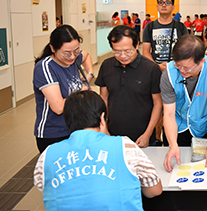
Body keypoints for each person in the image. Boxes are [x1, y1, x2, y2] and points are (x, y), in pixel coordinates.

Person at [33, 91, 162, 211]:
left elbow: (44, 188)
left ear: (68, 121)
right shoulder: (125, 146)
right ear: (102, 118)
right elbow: (154, 190)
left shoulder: (47, 155)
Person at [161, 35, 207, 172]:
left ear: (202, 61)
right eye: (178, 65)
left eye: (187, 68)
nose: (181, 71)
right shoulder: (168, 73)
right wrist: (173, 145)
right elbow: (168, 114)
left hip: (203, 127)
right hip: (176, 128)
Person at [95, 25, 162, 147]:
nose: (123, 56)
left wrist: (147, 134)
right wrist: (104, 128)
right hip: (113, 135)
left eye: (128, 51)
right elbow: (104, 99)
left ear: (137, 45)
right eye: (117, 51)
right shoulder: (106, 65)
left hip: (142, 136)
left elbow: (158, 103)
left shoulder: (151, 68)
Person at [33, 25, 94, 153]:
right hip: (54, 133)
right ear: (52, 48)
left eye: (76, 51)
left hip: (75, 129)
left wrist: (90, 74)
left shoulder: (73, 59)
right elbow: (59, 107)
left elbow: (86, 55)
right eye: (66, 53)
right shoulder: (45, 68)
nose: (72, 57)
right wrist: (81, 91)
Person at [142, 0, 188, 71]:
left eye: (167, 2)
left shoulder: (181, 27)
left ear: (172, 7)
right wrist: (157, 66)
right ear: (157, 7)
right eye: (161, 2)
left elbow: (187, 50)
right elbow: (146, 52)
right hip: (156, 69)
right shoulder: (149, 27)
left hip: (177, 69)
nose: (164, 5)